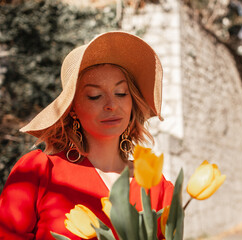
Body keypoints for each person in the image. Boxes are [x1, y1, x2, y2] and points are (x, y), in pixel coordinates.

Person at [0, 31, 173, 240]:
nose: (111, 105)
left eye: (121, 93)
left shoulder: (156, 184)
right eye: (95, 96)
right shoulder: (39, 171)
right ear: (72, 108)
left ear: (132, 102)